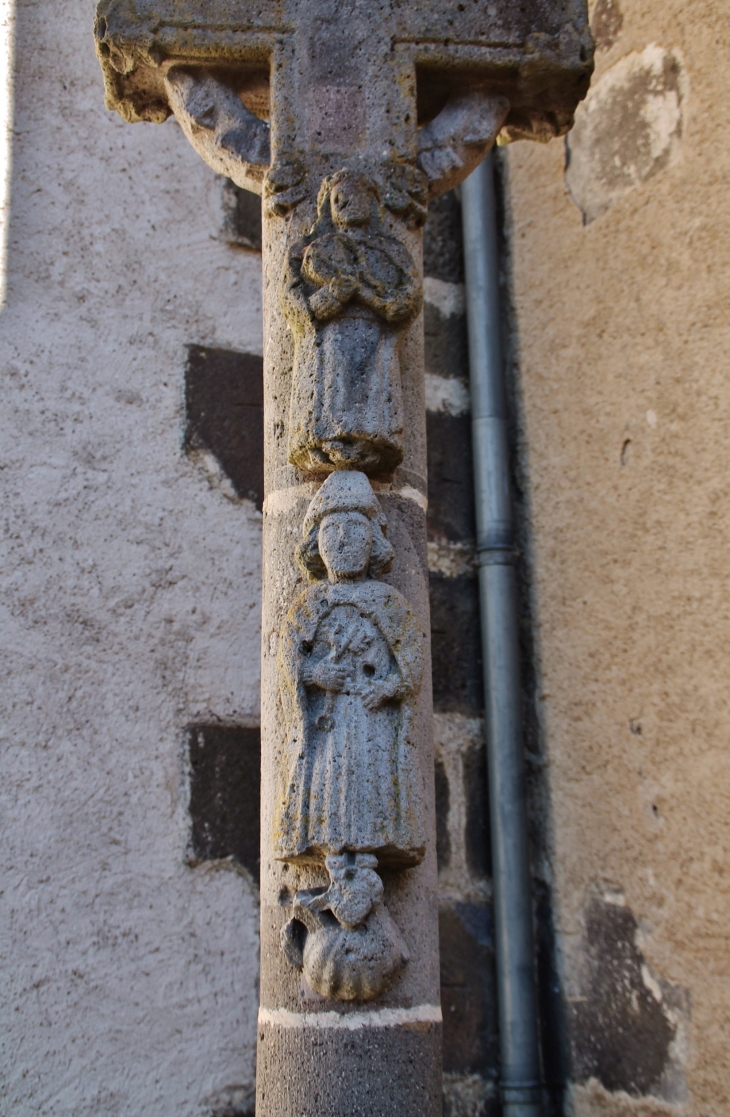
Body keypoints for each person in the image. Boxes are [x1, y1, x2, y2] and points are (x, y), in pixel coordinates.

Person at [276, 471, 425, 869]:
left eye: (354, 531)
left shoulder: (387, 602)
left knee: (369, 781)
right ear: (316, 543)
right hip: (328, 725)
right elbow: (289, 659)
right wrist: (313, 675)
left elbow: (412, 656)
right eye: (332, 531)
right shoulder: (309, 605)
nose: (342, 541)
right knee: (326, 781)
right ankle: (325, 843)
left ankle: (376, 842)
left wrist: (389, 687)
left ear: (372, 542)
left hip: (369, 721)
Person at [281, 170, 422, 474]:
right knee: (331, 387)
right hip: (329, 336)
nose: (345, 203)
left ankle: (371, 441)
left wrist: (378, 301)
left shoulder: (392, 251)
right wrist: (330, 297)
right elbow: (293, 302)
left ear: (372, 203)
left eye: (355, 196)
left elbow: (408, 296)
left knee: (372, 388)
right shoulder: (309, 251)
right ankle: (325, 441)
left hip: (373, 337)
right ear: (327, 206)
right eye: (337, 199)